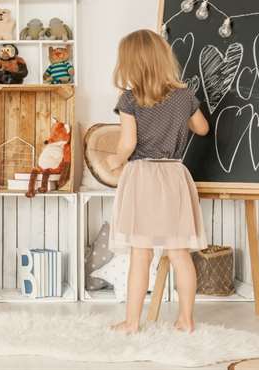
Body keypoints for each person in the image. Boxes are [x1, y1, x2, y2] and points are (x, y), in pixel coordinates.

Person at [106, 29, 209, 334]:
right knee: (179, 253)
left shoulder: (129, 99)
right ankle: (186, 320)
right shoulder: (184, 96)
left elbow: (127, 143)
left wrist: (115, 160)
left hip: (143, 177)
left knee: (141, 254)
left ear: (130, 63)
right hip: (175, 174)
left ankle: (132, 322)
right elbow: (201, 129)